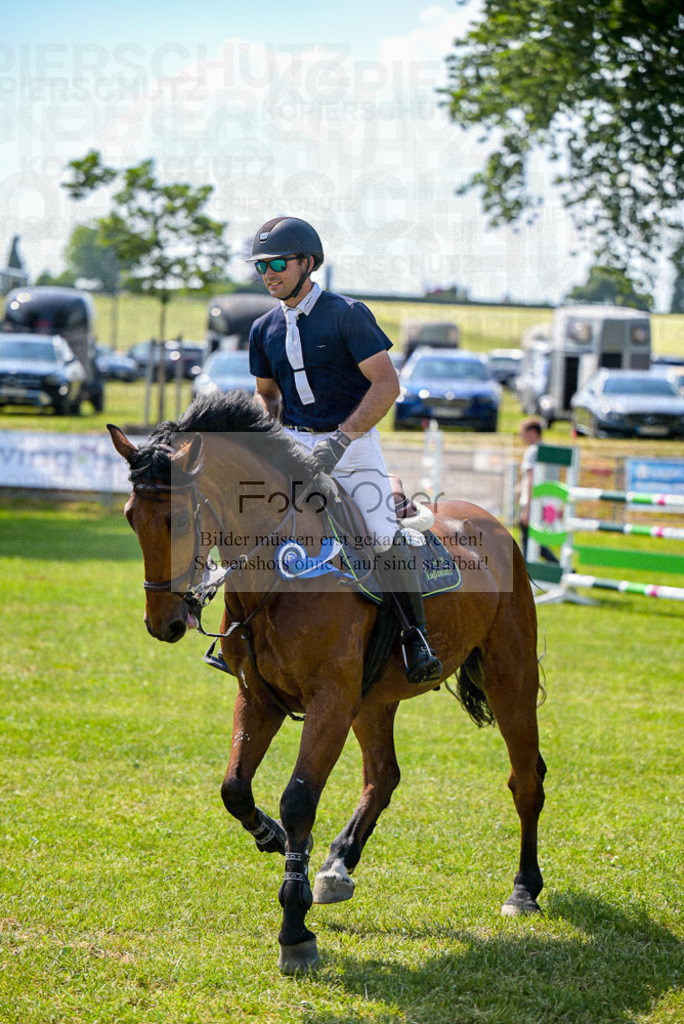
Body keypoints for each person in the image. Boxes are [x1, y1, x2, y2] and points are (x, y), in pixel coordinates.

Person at [247, 215, 442, 686]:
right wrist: (263, 439)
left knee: (379, 533)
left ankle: (415, 638)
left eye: (276, 263)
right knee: (247, 526)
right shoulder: (262, 328)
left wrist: (340, 439)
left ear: (307, 263)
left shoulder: (347, 314)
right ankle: (238, 637)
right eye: (260, 266)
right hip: (290, 445)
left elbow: (386, 385)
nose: (268, 273)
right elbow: (268, 395)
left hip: (352, 446)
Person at [518, 417, 561, 564]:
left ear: (533, 432)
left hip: (533, 501)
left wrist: (527, 509)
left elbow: (531, 480)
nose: (520, 436)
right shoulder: (549, 450)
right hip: (548, 502)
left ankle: (559, 568)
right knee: (534, 539)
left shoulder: (532, 451)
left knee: (530, 540)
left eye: (522, 432)